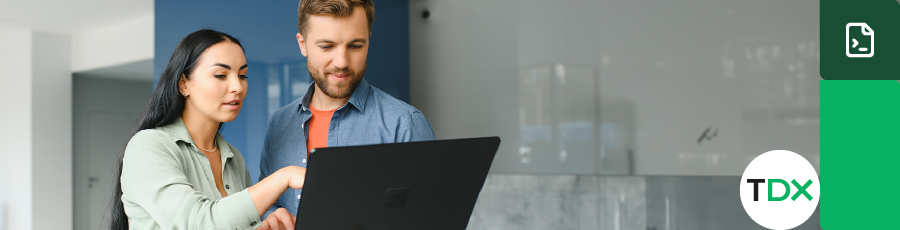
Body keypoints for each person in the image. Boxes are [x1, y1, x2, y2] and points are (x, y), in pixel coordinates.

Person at [257, 0, 436, 227]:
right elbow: (268, 201)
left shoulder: (404, 123)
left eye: (355, 46)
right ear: (302, 44)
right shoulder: (279, 123)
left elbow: (430, 218)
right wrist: (272, 216)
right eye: (326, 46)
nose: (341, 62)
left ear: (369, 41)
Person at [107, 29, 307, 230]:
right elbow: (198, 223)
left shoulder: (233, 158)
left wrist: (265, 225)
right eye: (221, 75)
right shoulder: (148, 147)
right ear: (184, 84)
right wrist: (283, 178)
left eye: (242, 75)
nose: (237, 86)